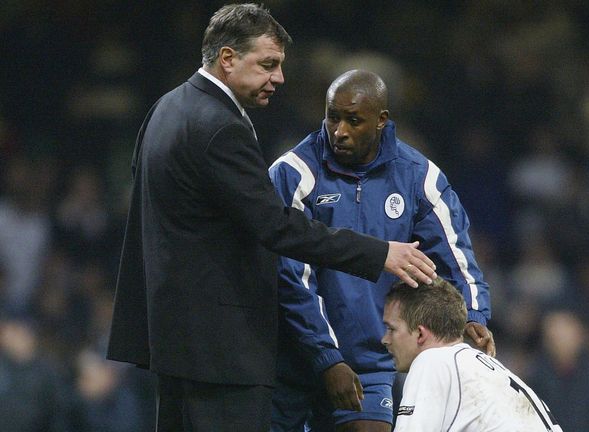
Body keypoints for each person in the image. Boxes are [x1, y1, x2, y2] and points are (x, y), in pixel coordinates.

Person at [105, 5, 436, 432]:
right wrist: (378, 253)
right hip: (223, 351)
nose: (278, 78)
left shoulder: (166, 108)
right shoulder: (220, 126)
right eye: (268, 64)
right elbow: (276, 226)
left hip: (174, 343)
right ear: (228, 59)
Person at [269, 69, 494, 432]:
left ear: (380, 121)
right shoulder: (293, 174)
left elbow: (457, 257)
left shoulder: (418, 177)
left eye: (353, 120)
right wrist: (327, 359)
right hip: (289, 359)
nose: (339, 131)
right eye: (332, 117)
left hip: (371, 361)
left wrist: (473, 316)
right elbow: (291, 278)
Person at [382, 278, 563, 432]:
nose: (385, 339)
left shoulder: (432, 361)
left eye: (392, 329)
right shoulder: (485, 367)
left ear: (420, 334)